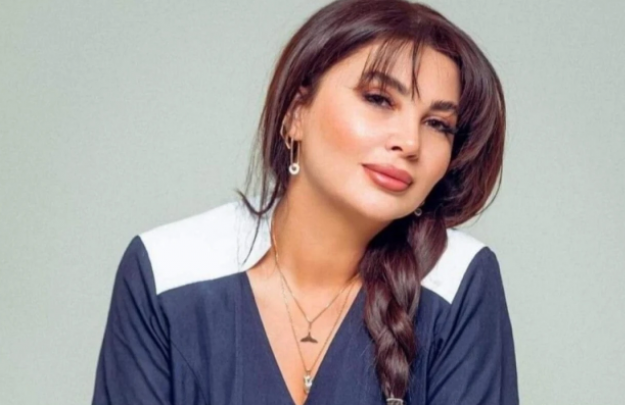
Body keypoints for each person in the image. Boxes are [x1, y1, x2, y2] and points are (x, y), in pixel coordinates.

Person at [91, 0, 519, 404]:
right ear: (297, 113)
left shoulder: (457, 279)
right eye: (378, 99)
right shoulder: (167, 269)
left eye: (438, 124)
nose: (410, 142)